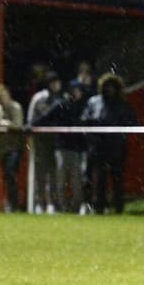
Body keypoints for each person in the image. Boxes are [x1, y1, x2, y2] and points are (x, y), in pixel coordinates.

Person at [81, 72, 137, 214]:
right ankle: (99, 206)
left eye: (113, 87)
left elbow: (132, 122)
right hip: (98, 146)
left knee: (117, 179)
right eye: (107, 86)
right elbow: (84, 120)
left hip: (116, 146)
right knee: (99, 179)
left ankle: (118, 206)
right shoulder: (94, 102)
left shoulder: (122, 104)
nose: (110, 89)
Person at [34, 81, 88, 213]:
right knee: (61, 180)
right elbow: (45, 117)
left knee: (77, 181)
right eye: (74, 90)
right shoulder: (61, 104)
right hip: (62, 148)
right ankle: (62, 207)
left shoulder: (83, 106)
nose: (77, 93)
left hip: (77, 149)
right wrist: (31, 125)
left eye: (78, 90)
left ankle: (75, 208)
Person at [26, 70, 63, 214]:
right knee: (41, 173)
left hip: (57, 141)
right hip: (41, 140)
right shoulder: (39, 98)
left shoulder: (62, 98)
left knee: (55, 174)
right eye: (53, 82)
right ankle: (39, 204)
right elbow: (31, 118)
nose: (56, 85)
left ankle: (53, 204)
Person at [0, 83, 25, 212]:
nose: (3, 99)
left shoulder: (16, 107)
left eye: (4, 96)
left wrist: (2, 124)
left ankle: (14, 204)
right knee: (8, 176)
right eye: (0, 97)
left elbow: (18, 125)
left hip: (15, 148)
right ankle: (11, 204)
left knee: (10, 173)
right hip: (2, 149)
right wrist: (3, 122)